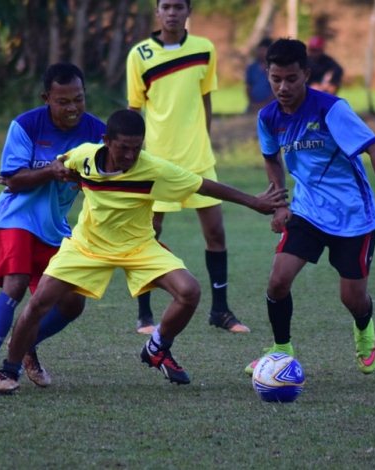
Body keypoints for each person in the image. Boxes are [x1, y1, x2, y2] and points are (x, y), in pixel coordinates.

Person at [0, 109, 287, 391]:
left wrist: (253, 202)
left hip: (139, 247)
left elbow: (204, 186)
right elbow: (62, 165)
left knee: (189, 291)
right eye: (123, 148)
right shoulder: (84, 155)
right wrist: (56, 173)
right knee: (38, 303)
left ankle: (157, 347)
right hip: (88, 246)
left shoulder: (153, 169)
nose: (129, 156)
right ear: (106, 141)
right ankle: (10, 370)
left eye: (136, 149)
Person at [244, 38, 375, 376]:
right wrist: (279, 203)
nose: (283, 87)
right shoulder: (268, 116)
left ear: (306, 73)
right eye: (276, 79)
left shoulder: (331, 110)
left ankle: (364, 328)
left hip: (353, 216)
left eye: (291, 78)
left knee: (352, 298)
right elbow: (271, 158)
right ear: (268, 74)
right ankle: (280, 351)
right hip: (307, 212)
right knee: (278, 281)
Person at [0, 63, 106, 393]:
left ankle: (25, 344)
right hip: (17, 217)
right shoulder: (26, 125)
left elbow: (106, 176)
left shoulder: (98, 132)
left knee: (73, 302)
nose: (72, 108)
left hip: (55, 225)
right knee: (14, 285)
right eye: (63, 101)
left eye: (78, 99)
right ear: (47, 98)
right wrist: (51, 171)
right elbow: (13, 180)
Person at [126, 0, 250, 335]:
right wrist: (132, 157)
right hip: (156, 161)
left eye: (178, 6)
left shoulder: (204, 49)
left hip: (197, 160)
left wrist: (204, 141)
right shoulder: (139, 55)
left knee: (216, 233)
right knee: (148, 233)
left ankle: (220, 311)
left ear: (188, 11)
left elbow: (206, 98)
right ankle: (144, 315)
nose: (172, 12)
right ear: (157, 12)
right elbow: (133, 110)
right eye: (165, 6)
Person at [245, 37, 273, 113]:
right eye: (260, 50)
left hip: (271, 105)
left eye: (264, 50)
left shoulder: (274, 68)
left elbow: (275, 90)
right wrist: (253, 103)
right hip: (253, 106)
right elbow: (248, 87)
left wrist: (265, 104)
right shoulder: (252, 68)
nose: (261, 53)